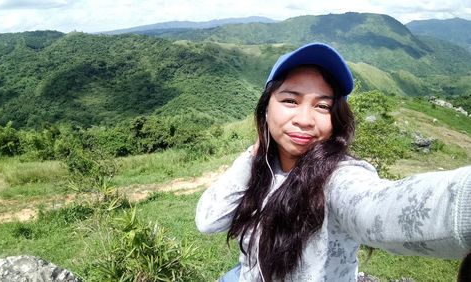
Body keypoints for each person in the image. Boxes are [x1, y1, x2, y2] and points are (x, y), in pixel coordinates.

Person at [195, 42, 471, 281]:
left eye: (322, 106)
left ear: (336, 119)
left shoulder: (337, 178)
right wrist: (255, 152)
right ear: (266, 109)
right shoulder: (261, 167)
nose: (304, 119)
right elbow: (208, 220)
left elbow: (379, 207)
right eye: (290, 100)